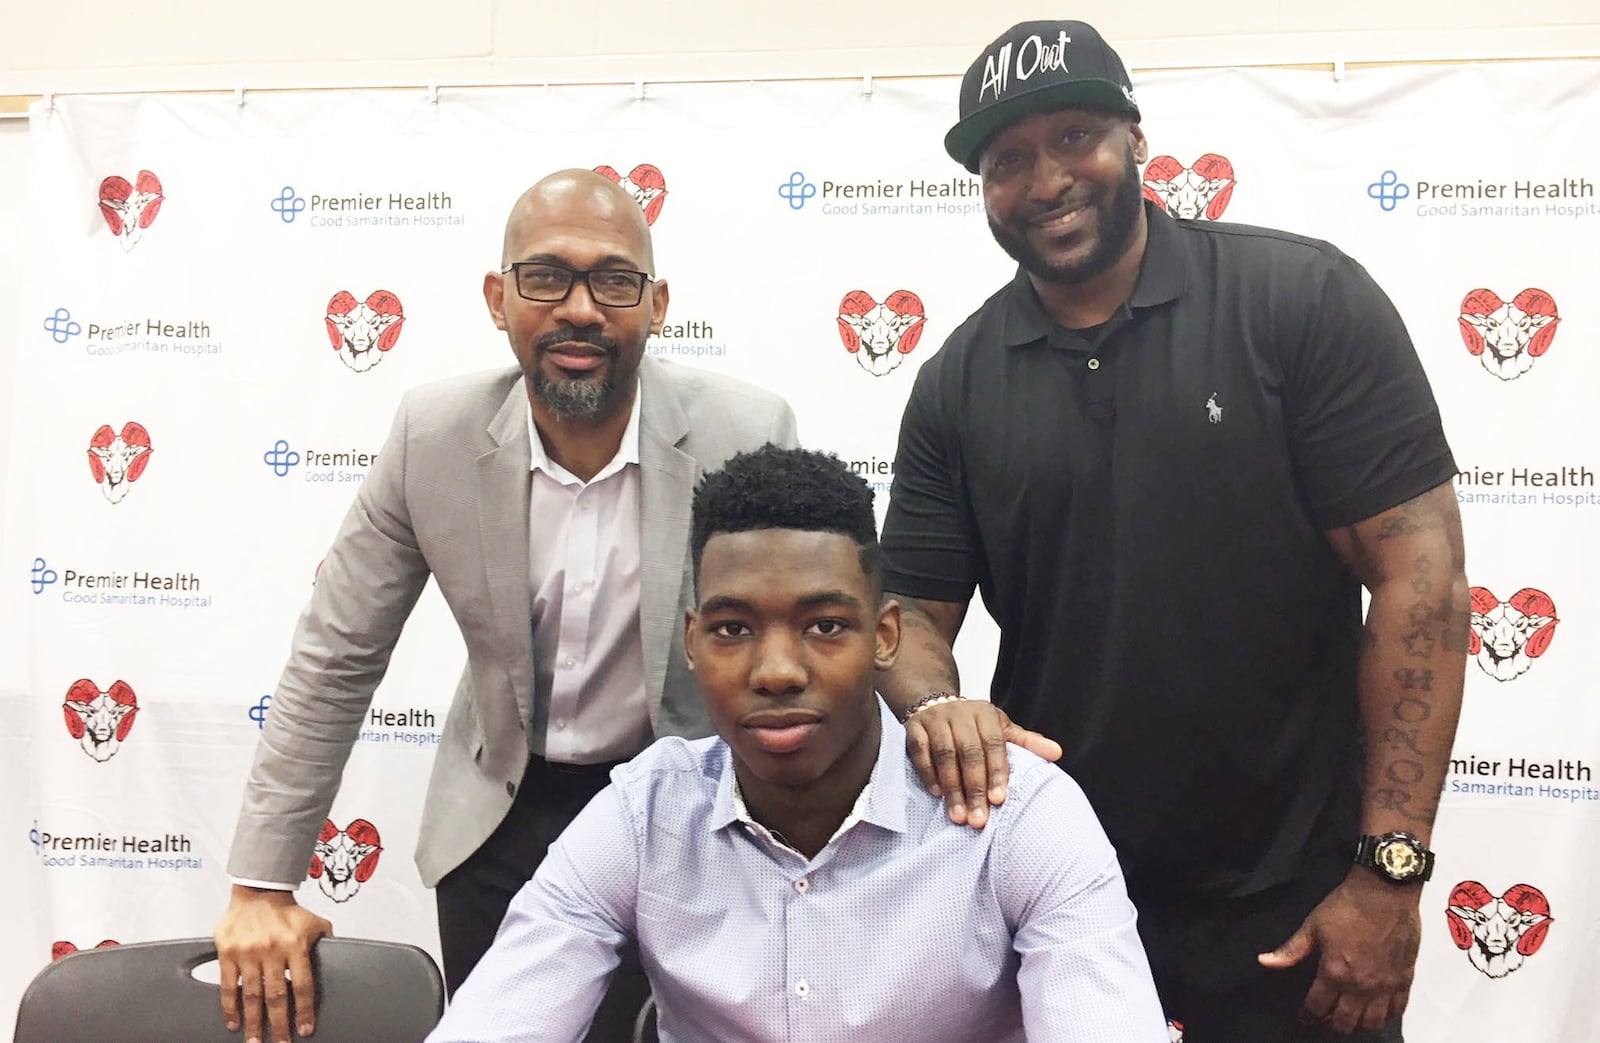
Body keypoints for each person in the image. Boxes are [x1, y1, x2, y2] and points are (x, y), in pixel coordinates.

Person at [876, 20, 1469, 1043]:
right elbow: (905, 616)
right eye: (1007, 160)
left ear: (1136, 143)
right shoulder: (957, 379)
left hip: (1296, 908)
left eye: (1074, 139)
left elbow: (1423, 581)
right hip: (1055, 897)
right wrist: (939, 701)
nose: (1046, 178)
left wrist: (1390, 875)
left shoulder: (1300, 301)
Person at [214, 169, 798, 1043]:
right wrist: (261, 883)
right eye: (545, 277)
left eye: (613, 280)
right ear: (498, 297)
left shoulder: (745, 433)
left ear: (657, 303)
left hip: (686, 807)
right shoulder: (431, 436)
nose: (579, 309)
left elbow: (805, 653)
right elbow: (336, 656)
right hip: (502, 814)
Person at [426, 445, 1169, 1042]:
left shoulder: (1015, 813)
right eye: (732, 629)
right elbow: (503, 1012)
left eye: (824, 625)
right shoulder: (644, 814)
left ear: (885, 637)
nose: (776, 671)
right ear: (692, 642)